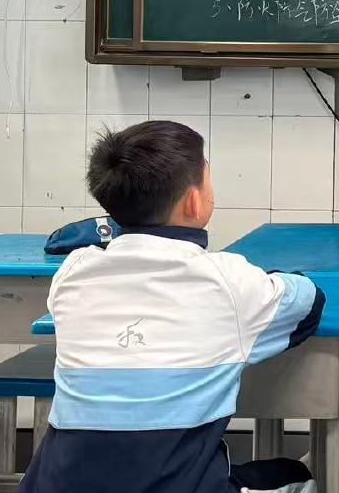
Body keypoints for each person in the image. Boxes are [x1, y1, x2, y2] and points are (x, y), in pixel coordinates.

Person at [23, 122, 322, 493]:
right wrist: (271, 279)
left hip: (56, 484)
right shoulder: (228, 282)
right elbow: (309, 301)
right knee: (298, 477)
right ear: (194, 202)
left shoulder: (73, 273)